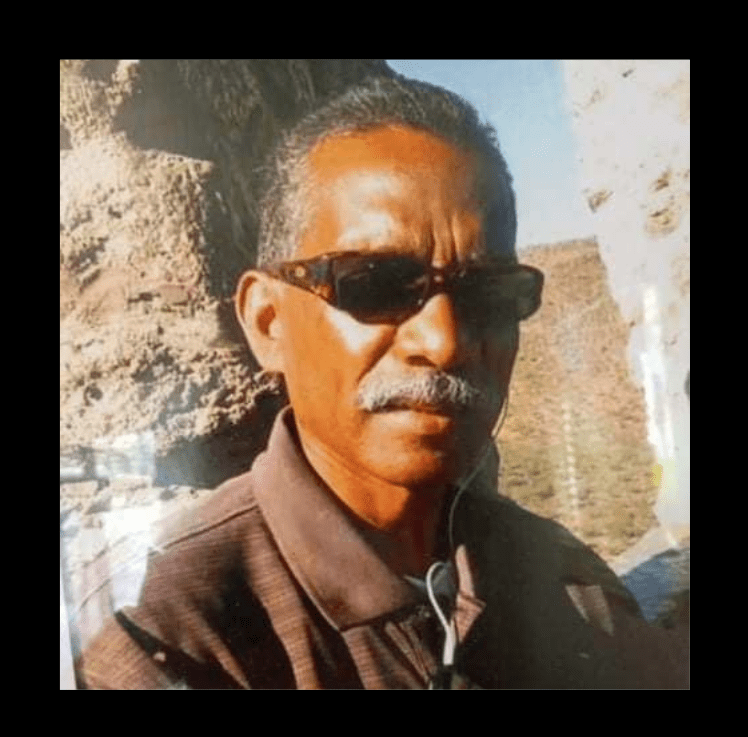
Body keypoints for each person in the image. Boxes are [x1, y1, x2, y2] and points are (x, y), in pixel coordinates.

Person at [77, 76, 688, 689]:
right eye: (375, 284)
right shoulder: (169, 636)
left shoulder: (566, 586)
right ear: (268, 323)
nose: (444, 341)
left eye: (488, 293)